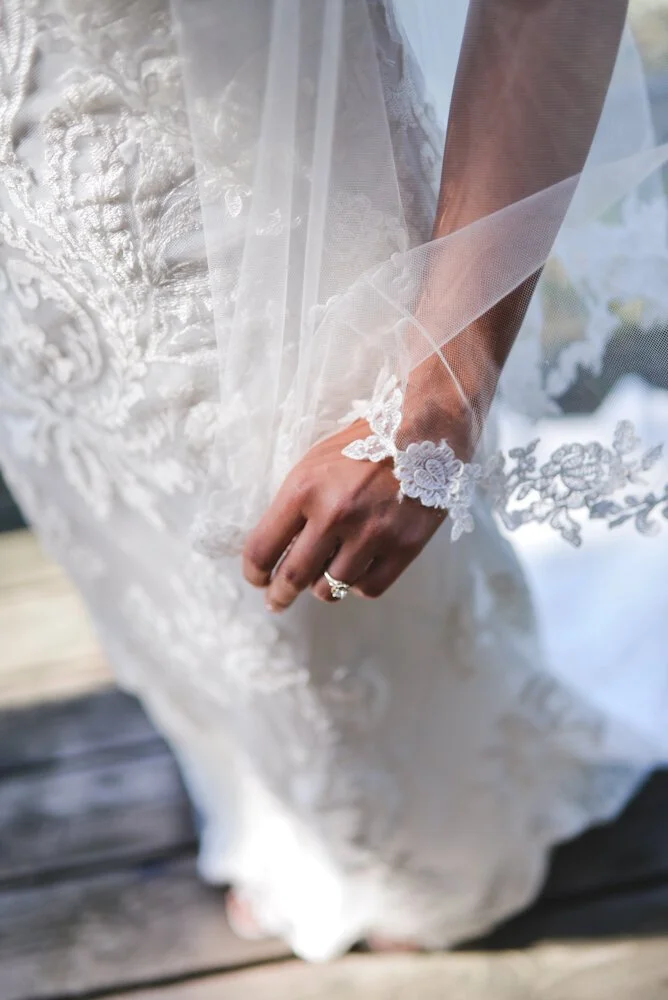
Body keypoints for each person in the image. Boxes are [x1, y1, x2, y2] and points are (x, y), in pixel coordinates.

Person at [1, 0, 667, 960]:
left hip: (248, 241)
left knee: (317, 601)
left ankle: (433, 846)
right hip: (29, 275)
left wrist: (436, 398)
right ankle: (267, 805)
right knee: (142, 563)